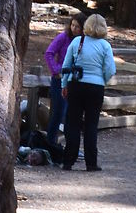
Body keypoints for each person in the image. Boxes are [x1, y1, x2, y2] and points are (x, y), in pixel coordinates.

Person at [61, 12, 116, 173]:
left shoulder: (78, 41)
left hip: (76, 85)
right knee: (91, 125)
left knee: (73, 124)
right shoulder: (105, 46)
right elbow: (110, 69)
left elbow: (66, 65)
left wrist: (64, 85)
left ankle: (68, 161)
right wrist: (102, 80)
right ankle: (91, 163)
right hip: (95, 88)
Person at [44, 14, 82, 152]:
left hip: (76, 81)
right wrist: (56, 70)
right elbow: (49, 53)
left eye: (78, 26)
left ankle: (70, 147)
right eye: (73, 25)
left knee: (71, 115)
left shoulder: (84, 41)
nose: (74, 28)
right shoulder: (63, 37)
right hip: (60, 79)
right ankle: (50, 144)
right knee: (58, 113)